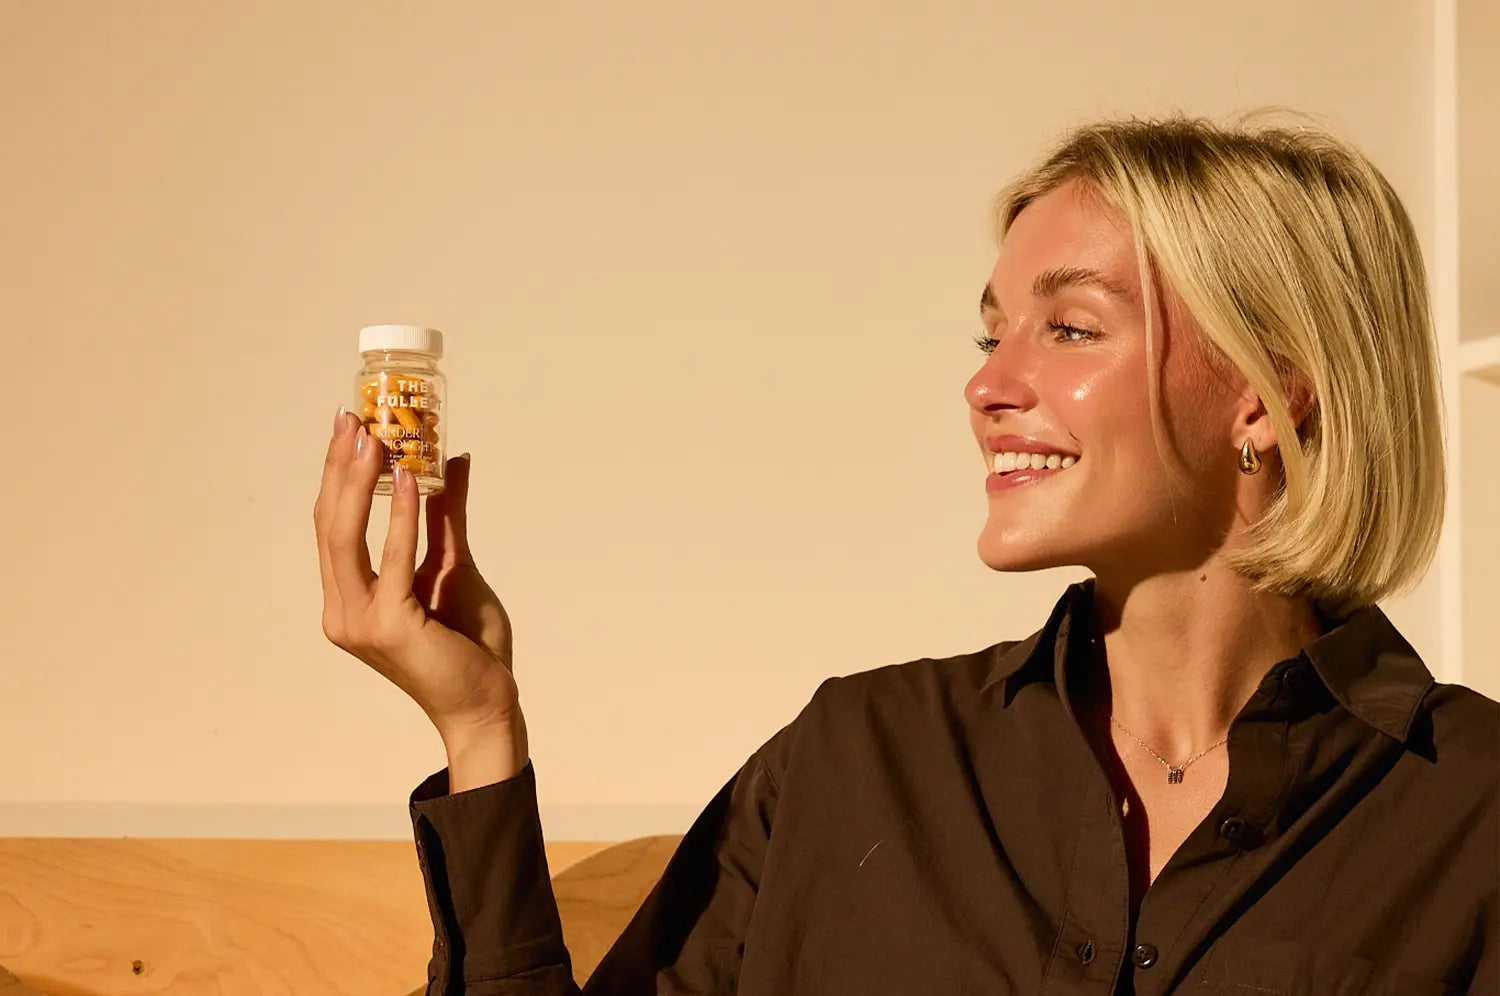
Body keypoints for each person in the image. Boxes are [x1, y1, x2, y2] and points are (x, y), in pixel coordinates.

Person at [313, 115, 1498, 995]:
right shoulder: (853, 764)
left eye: (1070, 328)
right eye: (991, 335)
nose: (989, 384)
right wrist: (479, 731)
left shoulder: (1473, 815)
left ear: (1268, 392)